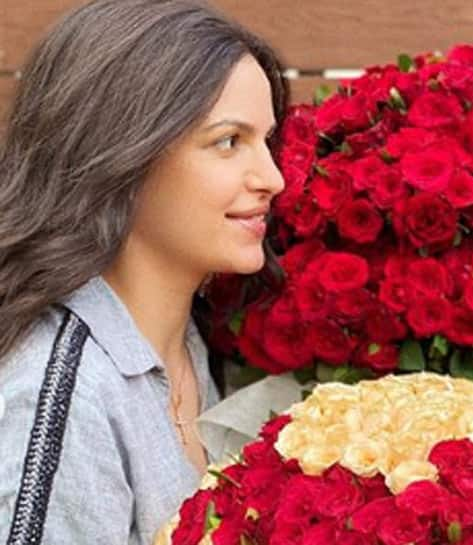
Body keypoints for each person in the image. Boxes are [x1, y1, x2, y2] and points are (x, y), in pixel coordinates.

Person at [0, 0, 286, 542]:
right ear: (125, 152)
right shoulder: (64, 394)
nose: (273, 178)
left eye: (266, 141)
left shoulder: (193, 340)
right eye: (229, 142)